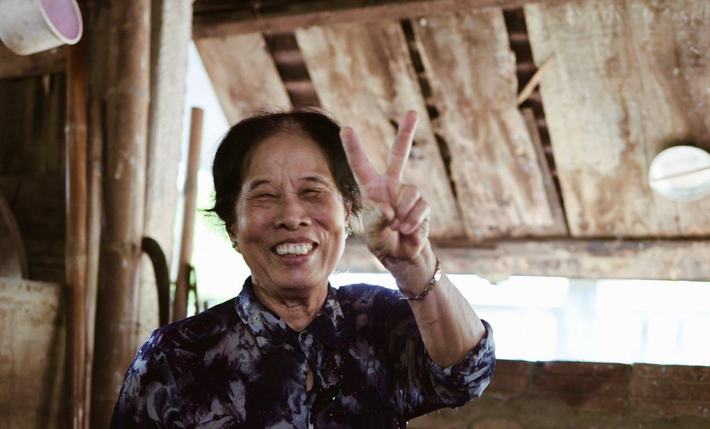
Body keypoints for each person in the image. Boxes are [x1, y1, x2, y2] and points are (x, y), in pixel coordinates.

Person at [111, 108, 495, 428]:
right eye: (264, 196)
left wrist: (415, 264)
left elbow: (467, 377)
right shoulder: (174, 356)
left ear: (346, 211)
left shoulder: (378, 321)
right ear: (232, 225)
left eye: (312, 191)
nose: (292, 215)